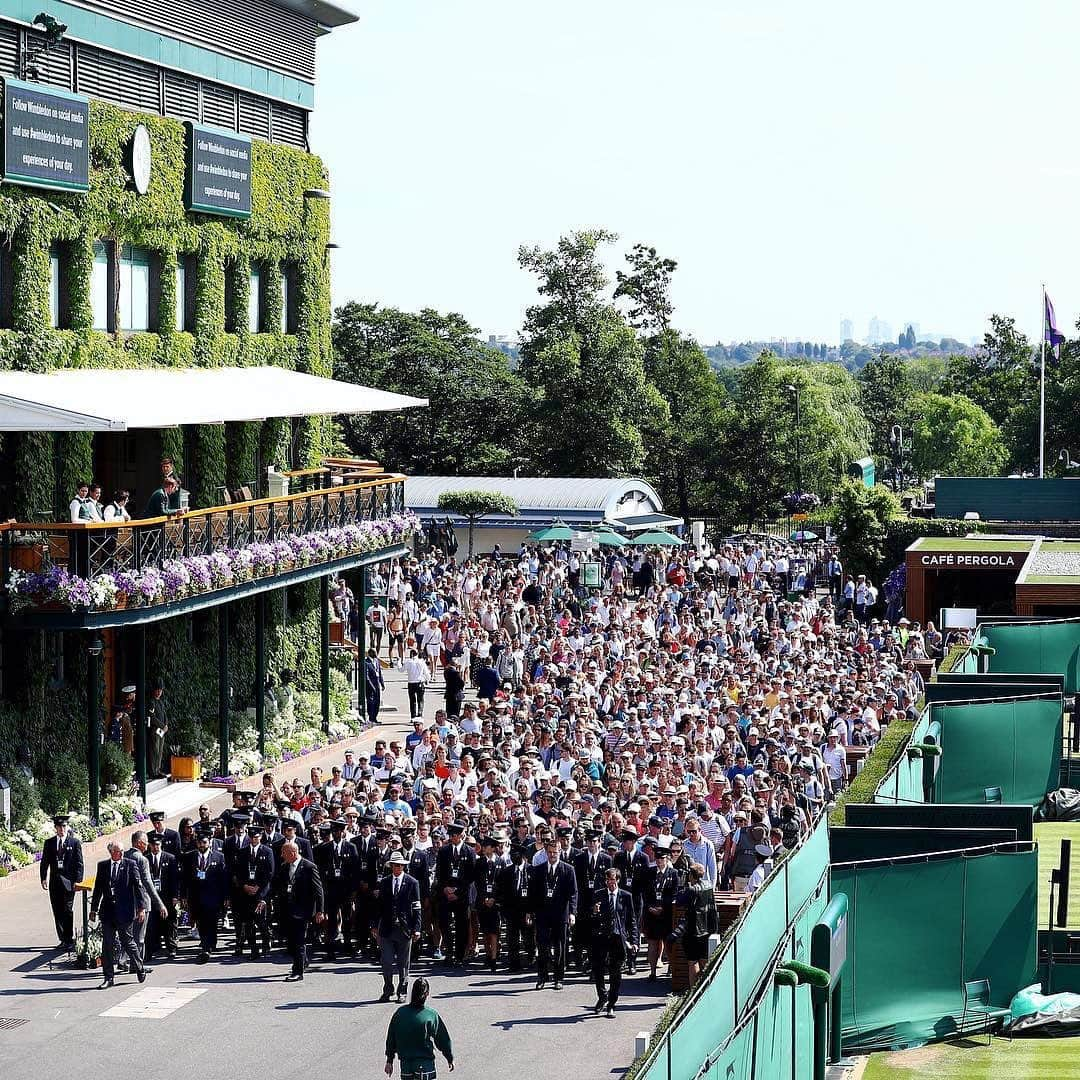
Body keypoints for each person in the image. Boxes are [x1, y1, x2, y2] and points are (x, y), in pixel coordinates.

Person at [89, 841, 148, 989]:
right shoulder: (103, 866)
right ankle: (108, 977)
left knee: (127, 941)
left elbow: (138, 888)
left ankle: (139, 966)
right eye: (117, 851)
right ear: (111, 852)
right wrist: (94, 909)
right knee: (107, 945)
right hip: (108, 912)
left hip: (125, 911)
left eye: (121, 851)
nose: (120, 853)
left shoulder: (130, 864)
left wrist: (141, 908)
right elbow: (98, 889)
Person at [529, 838, 577, 991]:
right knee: (542, 947)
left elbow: (573, 893)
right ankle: (542, 977)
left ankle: (559, 978)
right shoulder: (538, 869)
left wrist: (572, 913)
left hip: (560, 914)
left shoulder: (568, 869)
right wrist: (530, 912)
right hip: (543, 914)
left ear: (560, 852)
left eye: (555, 852)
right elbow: (533, 893)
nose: (552, 855)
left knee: (560, 947)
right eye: (549, 852)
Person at [275, 839, 325, 982]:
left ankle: (298, 971)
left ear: (293, 853)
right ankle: (303, 961)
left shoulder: (309, 867)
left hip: (303, 911)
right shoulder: (285, 867)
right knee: (291, 942)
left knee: (299, 941)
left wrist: (320, 910)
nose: (281, 855)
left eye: (284, 853)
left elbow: (318, 890)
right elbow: (279, 886)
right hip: (288, 910)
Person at [384, 977, 454, 1078]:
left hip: (406, 1065)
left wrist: (389, 1060)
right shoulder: (430, 1015)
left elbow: (391, 1038)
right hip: (425, 1065)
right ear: (427, 994)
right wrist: (449, 1057)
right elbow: (443, 1039)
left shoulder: (400, 1013)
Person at [377, 851, 422, 1002]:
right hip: (387, 928)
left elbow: (417, 907)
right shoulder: (384, 882)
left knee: (403, 963)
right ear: (391, 866)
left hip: (404, 928)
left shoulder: (412, 883)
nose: (398, 868)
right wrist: (374, 925)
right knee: (387, 961)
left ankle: (402, 991)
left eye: (400, 865)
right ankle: (388, 988)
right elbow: (378, 906)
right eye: (395, 865)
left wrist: (417, 928)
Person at [591, 866, 636, 1017]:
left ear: (618, 880)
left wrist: (634, 940)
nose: (611, 883)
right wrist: (595, 912)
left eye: (613, 880)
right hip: (601, 937)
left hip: (618, 938)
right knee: (598, 969)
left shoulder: (626, 896)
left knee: (615, 972)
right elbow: (591, 920)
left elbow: (632, 920)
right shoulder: (598, 895)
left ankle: (611, 1003)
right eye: (608, 880)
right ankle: (602, 996)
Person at [182, 827, 227, 963]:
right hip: (196, 896)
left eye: (205, 843)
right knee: (201, 922)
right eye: (200, 843)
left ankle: (210, 944)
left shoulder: (219, 857)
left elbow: (223, 879)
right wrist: (184, 896)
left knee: (211, 922)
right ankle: (205, 943)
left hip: (213, 896)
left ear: (209, 843)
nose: (202, 845)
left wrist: (225, 897)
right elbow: (185, 878)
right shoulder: (190, 857)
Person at [670, 862, 718, 986]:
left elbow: (679, 900)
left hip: (693, 931)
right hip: (707, 928)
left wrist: (683, 885)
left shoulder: (692, 889)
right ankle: (707, 986)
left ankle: (693, 991)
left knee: (692, 962)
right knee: (704, 960)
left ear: (692, 875)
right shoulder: (708, 885)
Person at [434, 821, 475, 966]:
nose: (453, 837)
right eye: (451, 835)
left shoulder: (469, 851)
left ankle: (459, 955)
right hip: (446, 893)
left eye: (455, 835)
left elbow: (470, 876)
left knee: (462, 925)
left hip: (461, 895)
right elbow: (439, 872)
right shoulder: (444, 851)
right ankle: (449, 952)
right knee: (444, 923)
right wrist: (445, 889)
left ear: (461, 835)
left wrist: (458, 891)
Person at [124, 830, 167, 967]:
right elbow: (148, 884)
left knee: (128, 934)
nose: (148, 845)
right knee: (140, 937)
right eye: (145, 842)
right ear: (139, 843)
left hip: (127, 903)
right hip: (142, 903)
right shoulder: (142, 859)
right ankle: (138, 965)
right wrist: (160, 904)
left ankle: (124, 960)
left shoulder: (124, 856)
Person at [40, 813, 83, 947]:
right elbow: (44, 862)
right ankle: (62, 938)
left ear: (67, 827)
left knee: (67, 909)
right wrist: (43, 878)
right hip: (55, 882)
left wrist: (78, 880)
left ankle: (69, 938)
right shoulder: (50, 843)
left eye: (63, 826)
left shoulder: (74, 843)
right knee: (57, 910)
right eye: (59, 827)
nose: (61, 829)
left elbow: (79, 863)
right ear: (55, 828)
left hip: (69, 882)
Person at [233, 824, 275, 958]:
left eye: (256, 837)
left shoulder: (267, 851)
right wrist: (244, 886)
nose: (253, 839)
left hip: (260, 892)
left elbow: (270, 874)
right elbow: (237, 873)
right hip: (246, 893)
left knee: (262, 922)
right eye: (251, 837)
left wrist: (259, 889)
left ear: (260, 837)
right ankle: (253, 949)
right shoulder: (242, 852)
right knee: (248, 923)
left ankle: (266, 944)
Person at [143, 831, 179, 962]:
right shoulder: (145, 858)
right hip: (152, 896)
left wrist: (175, 895)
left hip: (167, 895)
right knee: (152, 924)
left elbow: (174, 879)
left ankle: (172, 948)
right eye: (152, 845)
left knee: (169, 923)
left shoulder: (170, 858)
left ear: (161, 845)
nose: (155, 847)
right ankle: (152, 949)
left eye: (157, 844)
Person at [146, 681, 169, 778]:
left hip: (162, 730)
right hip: (155, 729)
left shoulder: (161, 702)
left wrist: (166, 725)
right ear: (154, 691)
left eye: (161, 690)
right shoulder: (152, 702)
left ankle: (157, 770)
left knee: (160, 751)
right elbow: (151, 716)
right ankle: (153, 772)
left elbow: (164, 714)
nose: (159, 692)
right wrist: (162, 725)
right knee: (154, 750)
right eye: (157, 690)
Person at [404, 649, 429, 718]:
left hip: (411, 683)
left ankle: (413, 716)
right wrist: (427, 680)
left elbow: (401, 670)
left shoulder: (408, 662)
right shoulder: (421, 662)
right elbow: (426, 673)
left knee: (412, 701)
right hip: (420, 683)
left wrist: (399, 662)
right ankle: (420, 714)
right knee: (420, 700)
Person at [366, 647, 386, 724]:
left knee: (377, 701)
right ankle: (371, 718)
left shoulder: (377, 661)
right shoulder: (366, 662)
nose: (376, 654)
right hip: (370, 686)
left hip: (377, 684)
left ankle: (375, 717)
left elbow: (380, 673)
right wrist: (372, 686)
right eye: (374, 652)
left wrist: (382, 683)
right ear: (370, 653)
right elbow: (367, 677)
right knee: (371, 702)